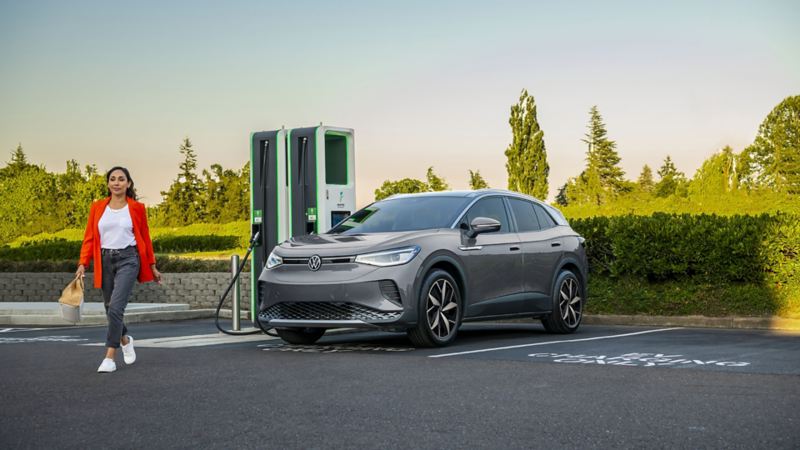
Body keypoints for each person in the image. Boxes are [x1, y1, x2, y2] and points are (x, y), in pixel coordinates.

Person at [76, 166, 162, 373]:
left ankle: (109, 357)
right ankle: (125, 340)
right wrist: (82, 263)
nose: (116, 182)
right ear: (108, 184)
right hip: (104, 260)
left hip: (129, 259)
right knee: (109, 308)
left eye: (121, 179)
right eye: (112, 179)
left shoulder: (137, 208)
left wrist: (152, 266)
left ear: (128, 183)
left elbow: (145, 237)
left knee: (115, 307)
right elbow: (89, 237)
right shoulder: (97, 207)